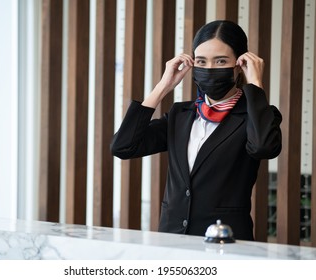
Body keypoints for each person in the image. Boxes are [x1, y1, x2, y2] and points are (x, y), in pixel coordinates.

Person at [110, 20, 282, 241]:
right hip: (171, 240)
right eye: (201, 61)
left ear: (239, 64)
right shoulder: (181, 114)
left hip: (225, 241)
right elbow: (123, 147)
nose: (209, 69)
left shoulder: (257, 116)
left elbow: (263, 148)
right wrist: (162, 87)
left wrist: (256, 84)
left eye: (220, 61)